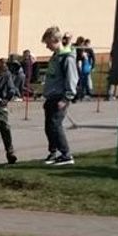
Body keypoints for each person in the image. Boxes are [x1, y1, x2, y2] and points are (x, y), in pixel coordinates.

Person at [40, 26, 78, 165]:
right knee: (49, 127)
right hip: (51, 96)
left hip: (60, 97)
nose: (47, 47)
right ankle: (53, 152)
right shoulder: (57, 56)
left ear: (55, 40)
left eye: (48, 43)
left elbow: (71, 78)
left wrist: (66, 97)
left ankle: (66, 154)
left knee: (56, 125)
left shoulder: (66, 58)